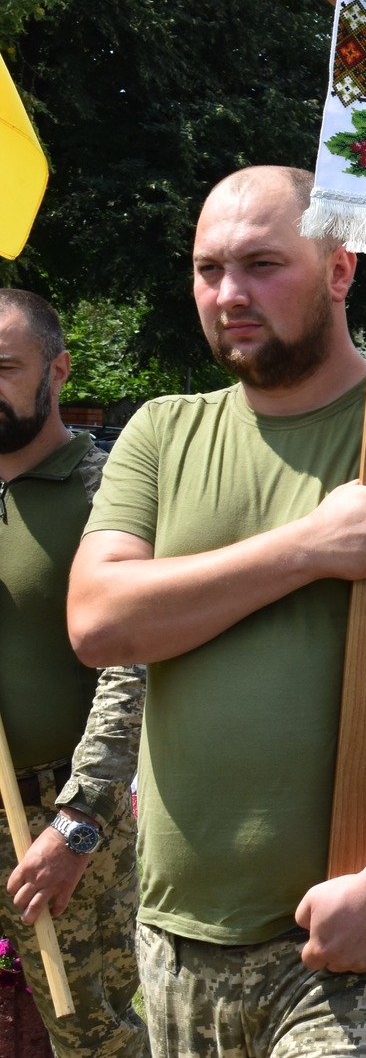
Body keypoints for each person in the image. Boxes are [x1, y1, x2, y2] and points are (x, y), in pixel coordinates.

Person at [67, 166, 366, 1056]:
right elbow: (100, 622)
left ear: (339, 268)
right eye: (209, 269)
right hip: (178, 931)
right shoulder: (162, 433)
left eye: (261, 264)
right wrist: (308, 547)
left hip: (360, 937)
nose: (229, 294)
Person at [0, 290, 146, 1057]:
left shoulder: (108, 494)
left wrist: (81, 815)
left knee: (92, 1033)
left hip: (55, 815)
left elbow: (135, 666)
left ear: (57, 371)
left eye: (3, 366)